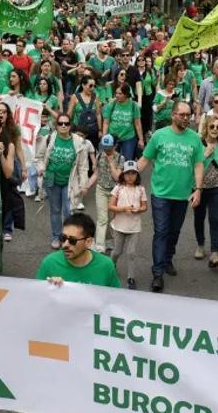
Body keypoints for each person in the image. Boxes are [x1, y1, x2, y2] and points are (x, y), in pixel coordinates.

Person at [36, 212, 119, 413]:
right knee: (59, 400)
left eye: (72, 240)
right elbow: (33, 302)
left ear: (89, 242)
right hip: (58, 346)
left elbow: (117, 305)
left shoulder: (106, 267)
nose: (65, 244)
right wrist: (51, 292)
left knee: (89, 408)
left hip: (92, 348)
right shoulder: (50, 263)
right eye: (62, 238)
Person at [137, 101, 204, 292]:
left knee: (174, 231)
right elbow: (145, 159)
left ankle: (167, 259)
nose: (186, 118)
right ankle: (157, 273)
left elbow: (199, 165)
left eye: (188, 115)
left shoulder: (194, 139)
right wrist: (129, 179)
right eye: (182, 114)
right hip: (160, 193)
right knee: (161, 231)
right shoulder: (159, 135)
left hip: (182, 195)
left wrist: (198, 189)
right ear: (173, 115)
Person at [40, 114, 95, 248]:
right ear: (56, 125)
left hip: (70, 182)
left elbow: (83, 166)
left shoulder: (78, 142)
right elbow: (39, 157)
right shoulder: (48, 139)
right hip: (52, 180)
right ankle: (56, 237)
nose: (63, 126)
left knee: (68, 210)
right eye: (60, 123)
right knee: (55, 210)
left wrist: (84, 185)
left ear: (70, 126)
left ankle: (67, 237)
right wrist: (42, 169)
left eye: (66, 123)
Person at [192, 114, 218, 268]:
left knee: (215, 219)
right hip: (199, 188)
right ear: (206, 128)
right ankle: (200, 245)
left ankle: (215, 252)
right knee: (199, 217)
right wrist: (205, 154)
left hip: (217, 187)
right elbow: (194, 165)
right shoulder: (198, 143)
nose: (215, 129)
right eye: (212, 126)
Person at [108, 161, 147, 289]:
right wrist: (123, 209)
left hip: (134, 227)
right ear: (123, 175)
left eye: (133, 173)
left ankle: (131, 277)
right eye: (127, 174)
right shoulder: (118, 188)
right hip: (119, 226)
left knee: (131, 252)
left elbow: (144, 206)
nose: (130, 176)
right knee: (117, 251)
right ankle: (111, 265)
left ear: (137, 175)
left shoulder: (141, 189)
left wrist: (139, 210)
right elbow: (111, 206)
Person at [92, 134, 124, 253]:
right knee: (102, 218)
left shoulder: (121, 158)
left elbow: (117, 177)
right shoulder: (99, 155)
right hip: (101, 189)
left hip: (114, 192)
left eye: (109, 148)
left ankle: (109, 240)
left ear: (115, 145)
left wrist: (111, 162)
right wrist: (86, 186)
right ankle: (99, 245)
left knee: (111, 219)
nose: (106, 150)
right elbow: (96, 174)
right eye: (104, 147)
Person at [101, 82, 144, 160]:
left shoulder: (134, 106)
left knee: (127, 160)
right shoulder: (111, 104)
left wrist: (141, 139)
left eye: (120, 94)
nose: (117, 95)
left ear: (126, 94)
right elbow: (106, 122)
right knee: (112, 160)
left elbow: (137, 124)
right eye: (116, 93)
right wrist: (104, 137)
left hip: (128, 137)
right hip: (113, 138)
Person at [68, 75, 102, 141]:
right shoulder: (75, 97)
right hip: (79, 130)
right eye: (90, 86)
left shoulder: (96, 97)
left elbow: (98, 114)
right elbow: (70, 113)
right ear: (83, 85)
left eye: (94, 86)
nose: (92, 88)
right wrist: (67, 126)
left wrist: (100, 130)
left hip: (92, 129)